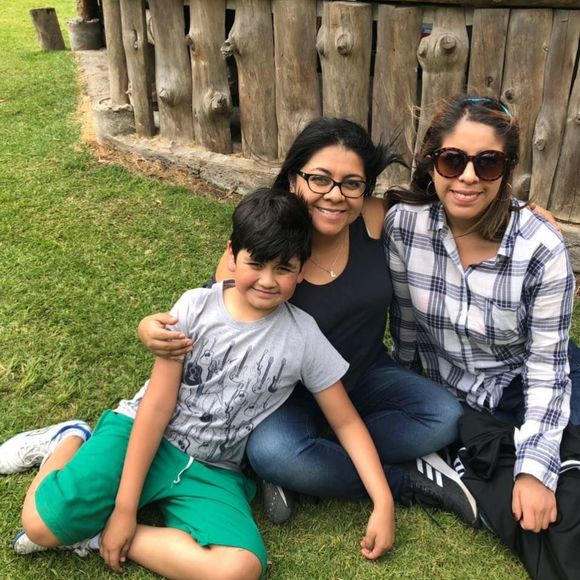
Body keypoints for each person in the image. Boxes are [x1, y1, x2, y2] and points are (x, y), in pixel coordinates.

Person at [0, 188, 396, 578]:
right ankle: (68, 438)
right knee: (40, 526)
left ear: (302, 269)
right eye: (256, 263)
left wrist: (383, 502)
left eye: (283, 268)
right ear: (231, 255)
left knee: (240, 568)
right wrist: (124, 506)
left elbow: (345, 422)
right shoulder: (194, 308)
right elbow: (157, 406)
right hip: (142, 437)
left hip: (213, 467)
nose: (267, 280)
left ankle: (98, 535)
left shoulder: (304, 337)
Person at [138, 118, 479, 526]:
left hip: (365, 372)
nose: (335, 195)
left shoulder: (374, 218)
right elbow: (213, 310)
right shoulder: (268, 242)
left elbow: (450, 202)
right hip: (282, 395)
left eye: (351, 183)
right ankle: (400, 480)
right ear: (292, 179)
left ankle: (318, 459)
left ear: (365, 189)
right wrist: (150, 328)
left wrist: (525, 211)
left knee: (443, 416)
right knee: (274, 453)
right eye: (319, 179)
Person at [384, 95, 580, 535]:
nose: (468, 176)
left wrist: (534, 472)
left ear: (507, 170)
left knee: (561, 477)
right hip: (453, 391)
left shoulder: (541, 248)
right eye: (452, 160)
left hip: (523, 378)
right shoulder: (404, 227)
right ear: (432, 163)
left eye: (487, 163)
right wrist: (405, 394)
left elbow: (547, 367)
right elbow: (406, 327)